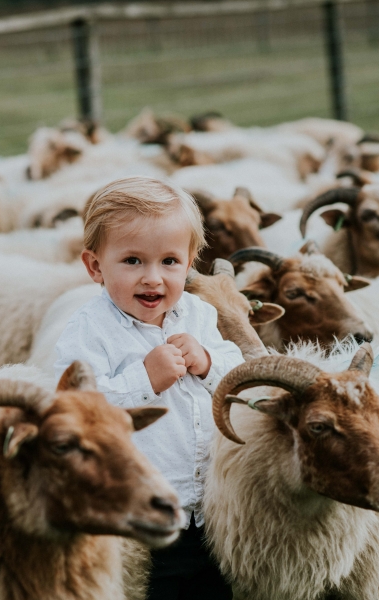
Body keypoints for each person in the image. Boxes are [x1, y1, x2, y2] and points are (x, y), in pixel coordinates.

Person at [53, 177, 243, 599]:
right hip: (138, 514)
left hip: (210, 509)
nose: (153, 278)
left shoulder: (198, 314)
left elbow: (237, 374)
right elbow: (74, 410)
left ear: (191, 261)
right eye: (133, 261)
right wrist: (144, 380)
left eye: (170, 262)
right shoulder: (89, 331)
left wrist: (209, 361)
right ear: (96, 266)